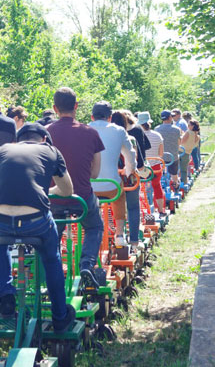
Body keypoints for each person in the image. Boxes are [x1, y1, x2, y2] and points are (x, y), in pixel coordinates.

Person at [0, 122, 77, 331]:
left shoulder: (1, 150)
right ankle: (60, 316)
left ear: (17, 139)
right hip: (36, 222)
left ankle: (6, 296)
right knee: (52, 258)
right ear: (44, 139)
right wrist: (47, 191)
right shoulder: (51, 151)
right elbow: (68, 190)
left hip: (0, 220)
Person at [47, 87, 108, 286]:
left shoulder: (45, 133)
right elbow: (95, 173)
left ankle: (52, 268)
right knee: (95, 226)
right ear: (76, 106)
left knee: (53, 231)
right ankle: (86, 264)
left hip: (54, 196)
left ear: (55, 108)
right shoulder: (90, 133)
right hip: (81, 197)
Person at [90, 101, 136, 248]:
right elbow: (130, 154)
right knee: (120, 195)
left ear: (92, 117)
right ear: (110, 117)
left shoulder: (84, 129)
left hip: (88, 187)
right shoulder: (119, 131)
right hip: (111, 187)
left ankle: (91, 234)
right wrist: (129, 171)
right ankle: (119, 235)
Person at [113, 110, 151, 251]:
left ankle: (118, 236)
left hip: (113, 180)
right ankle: (134, 242)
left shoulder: (106, 139)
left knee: (114, 208)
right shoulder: (130, 139)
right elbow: (135, 161)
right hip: (130, 179)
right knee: (133, 207)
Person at [138, 111, 167, 214]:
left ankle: (144, 212)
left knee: (141, 188)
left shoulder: (136, 136)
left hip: (142, 167)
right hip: (155, 166)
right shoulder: (157, 135)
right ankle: (160, 209)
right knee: (157, 186)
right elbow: (161, 153)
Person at [155, 110, 182, 185]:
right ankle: (175, 184)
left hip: (161, 157)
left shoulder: (157, 129)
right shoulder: (176, 129)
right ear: (170, 118)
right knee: (174, 173)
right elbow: (179, 143)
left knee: (161, 173)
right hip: (173, 156)